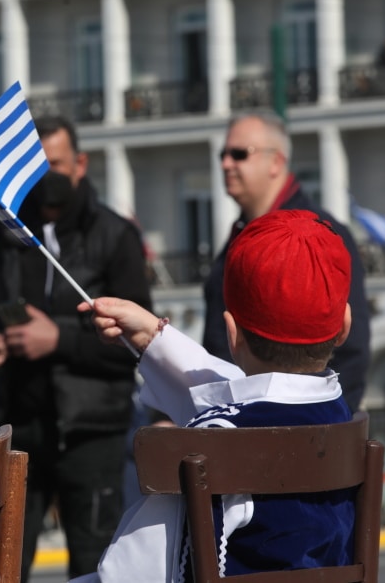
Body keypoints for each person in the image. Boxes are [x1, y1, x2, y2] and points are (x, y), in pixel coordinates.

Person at [72, 209, 357, 583]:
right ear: (344, 327)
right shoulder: (338, 412)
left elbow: (127, 573)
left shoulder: (218, 441)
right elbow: (254, 395)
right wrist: (151, 339)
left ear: (230, 334)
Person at [0, 115, 153, 581]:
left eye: (55, 164)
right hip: (21, 431)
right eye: (37, 168)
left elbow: (137, 344)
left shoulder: (114, 236)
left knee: (94, 565)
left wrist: (60, 339)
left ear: (80, 164)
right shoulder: (6, 234)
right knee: (3, 563)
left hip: (90, 434)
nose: (46, 178)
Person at [203, 111, 370, 413]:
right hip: (234, 421)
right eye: (223, 154)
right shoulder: (239, 233)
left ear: (276, 162)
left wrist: (330, 430)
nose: (226, 163)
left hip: (295, 429)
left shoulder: (322, 237)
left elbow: (352, 350)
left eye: (239, 154)